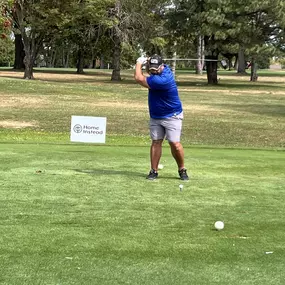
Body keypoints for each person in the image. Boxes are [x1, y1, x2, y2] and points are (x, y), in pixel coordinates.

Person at [134, 54, 189, 181]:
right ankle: (153, 171)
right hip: (156, 115)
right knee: (156, 141)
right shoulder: (162, 69)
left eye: (155, 69)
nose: (153, 71)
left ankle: (182, 169)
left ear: (161, 67)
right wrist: (147, 62)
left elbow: (138, 77)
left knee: (174, 143)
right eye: (151, 69)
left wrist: (138, 63)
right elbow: (150, 70)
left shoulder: (163, 80)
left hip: (172, 115)